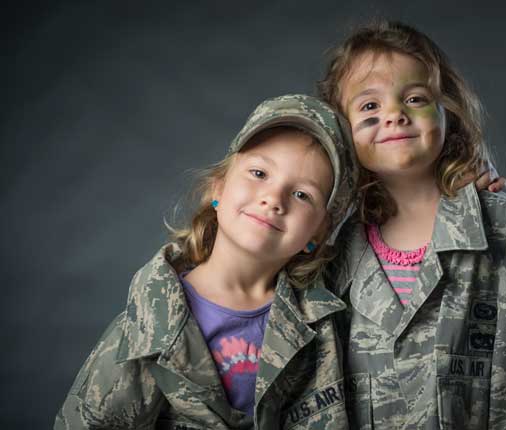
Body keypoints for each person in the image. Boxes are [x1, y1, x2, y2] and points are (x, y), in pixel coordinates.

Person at [319, 21, 506, 429]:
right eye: (369, 107)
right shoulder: (339, 253)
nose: (395, 115)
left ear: (446, 112)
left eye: (414, 98)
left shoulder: (501, 226)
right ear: (341, 133)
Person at [54, 94, 359, 430]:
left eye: (302, 194)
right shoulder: (153, 321)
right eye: (259, 173)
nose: (273, 198)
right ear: (219, 188)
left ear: (317, 233)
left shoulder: (317, 323)